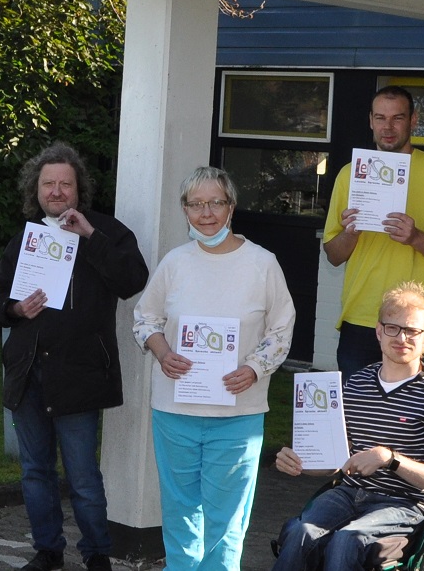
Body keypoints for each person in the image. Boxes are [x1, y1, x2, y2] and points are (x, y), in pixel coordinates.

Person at [0, 143, 149, 571]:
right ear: (35, 190)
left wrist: (89, 237)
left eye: (65, 184)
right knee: (35, 472)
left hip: (79, 375)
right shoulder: (25, 237)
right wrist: (16, 310)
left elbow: (133, 279)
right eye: (48, 184)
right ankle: (48, 551)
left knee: (83, 477)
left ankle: (96, 555)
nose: (56, 191)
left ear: (79, 189)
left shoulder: (108, 231)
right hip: (28, 373)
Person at [131, 166, 294, 571]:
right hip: (175, 412)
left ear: (231, 206)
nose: (206, 213)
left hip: (237, 415)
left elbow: (281, 328)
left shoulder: (262, 263)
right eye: (196, 204)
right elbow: (144, 319)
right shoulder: (174, 263)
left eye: (215, 203)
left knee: (227, 522)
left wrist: (255, 368)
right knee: (181, 513)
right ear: (184, 210)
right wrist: (162, 350)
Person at [271, 281, 424, 571]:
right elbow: (338, 463)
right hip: (351, 492)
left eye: (413, 331)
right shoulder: (356, 385)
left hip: (408, 503)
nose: (402, 338)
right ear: (378, 331)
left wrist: (389, 459)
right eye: (393, 328)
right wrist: (299, 462)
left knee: (347, 540)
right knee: (301, 534)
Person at [323, 86, 424, 377]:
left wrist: (415, 237)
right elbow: (333, 256)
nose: (387, 127)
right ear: (370, 121)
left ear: (413, 120)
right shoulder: (349, 174)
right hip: (361, 316)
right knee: (358, 417)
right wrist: (350, 233)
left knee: (411, 416)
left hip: (416, 320)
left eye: (397, 118)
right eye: (380, 118)